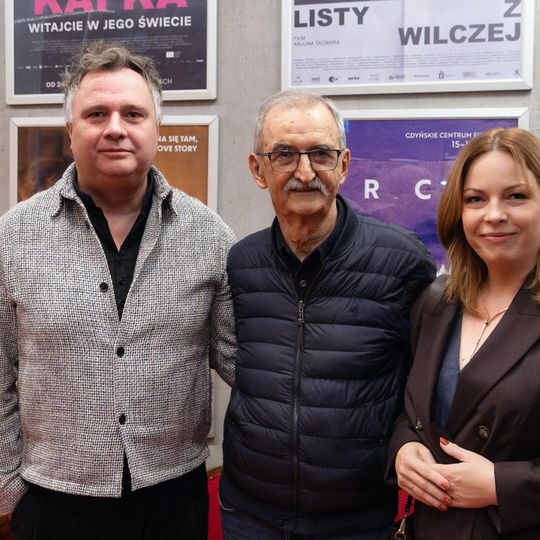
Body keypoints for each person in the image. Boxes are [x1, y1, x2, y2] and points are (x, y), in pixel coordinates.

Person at [0, 42, 236, 540]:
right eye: (96, 114)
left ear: (156, 127)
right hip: (51, 505)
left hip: (173, 502)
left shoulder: (209, 235)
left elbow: (243, 362)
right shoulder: (13, 237)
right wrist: (9, 490)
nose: (115, 128)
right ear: (71, 130)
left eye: (133, 113)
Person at [219, 89, 436, 540]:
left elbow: (425, 388)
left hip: (357, 519)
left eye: (321, 153)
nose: (304, 172)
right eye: (284, 155)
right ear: (258, 169)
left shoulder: (402, 262)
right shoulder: (240, 263)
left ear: (344, 165)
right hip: (250, 515)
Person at [388, 127, 540, 539]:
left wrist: (501, 486)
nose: (494, 214)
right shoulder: (436, 301)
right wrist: (404, 449)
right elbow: (413, 413)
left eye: (516, 196)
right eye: (476, 199)